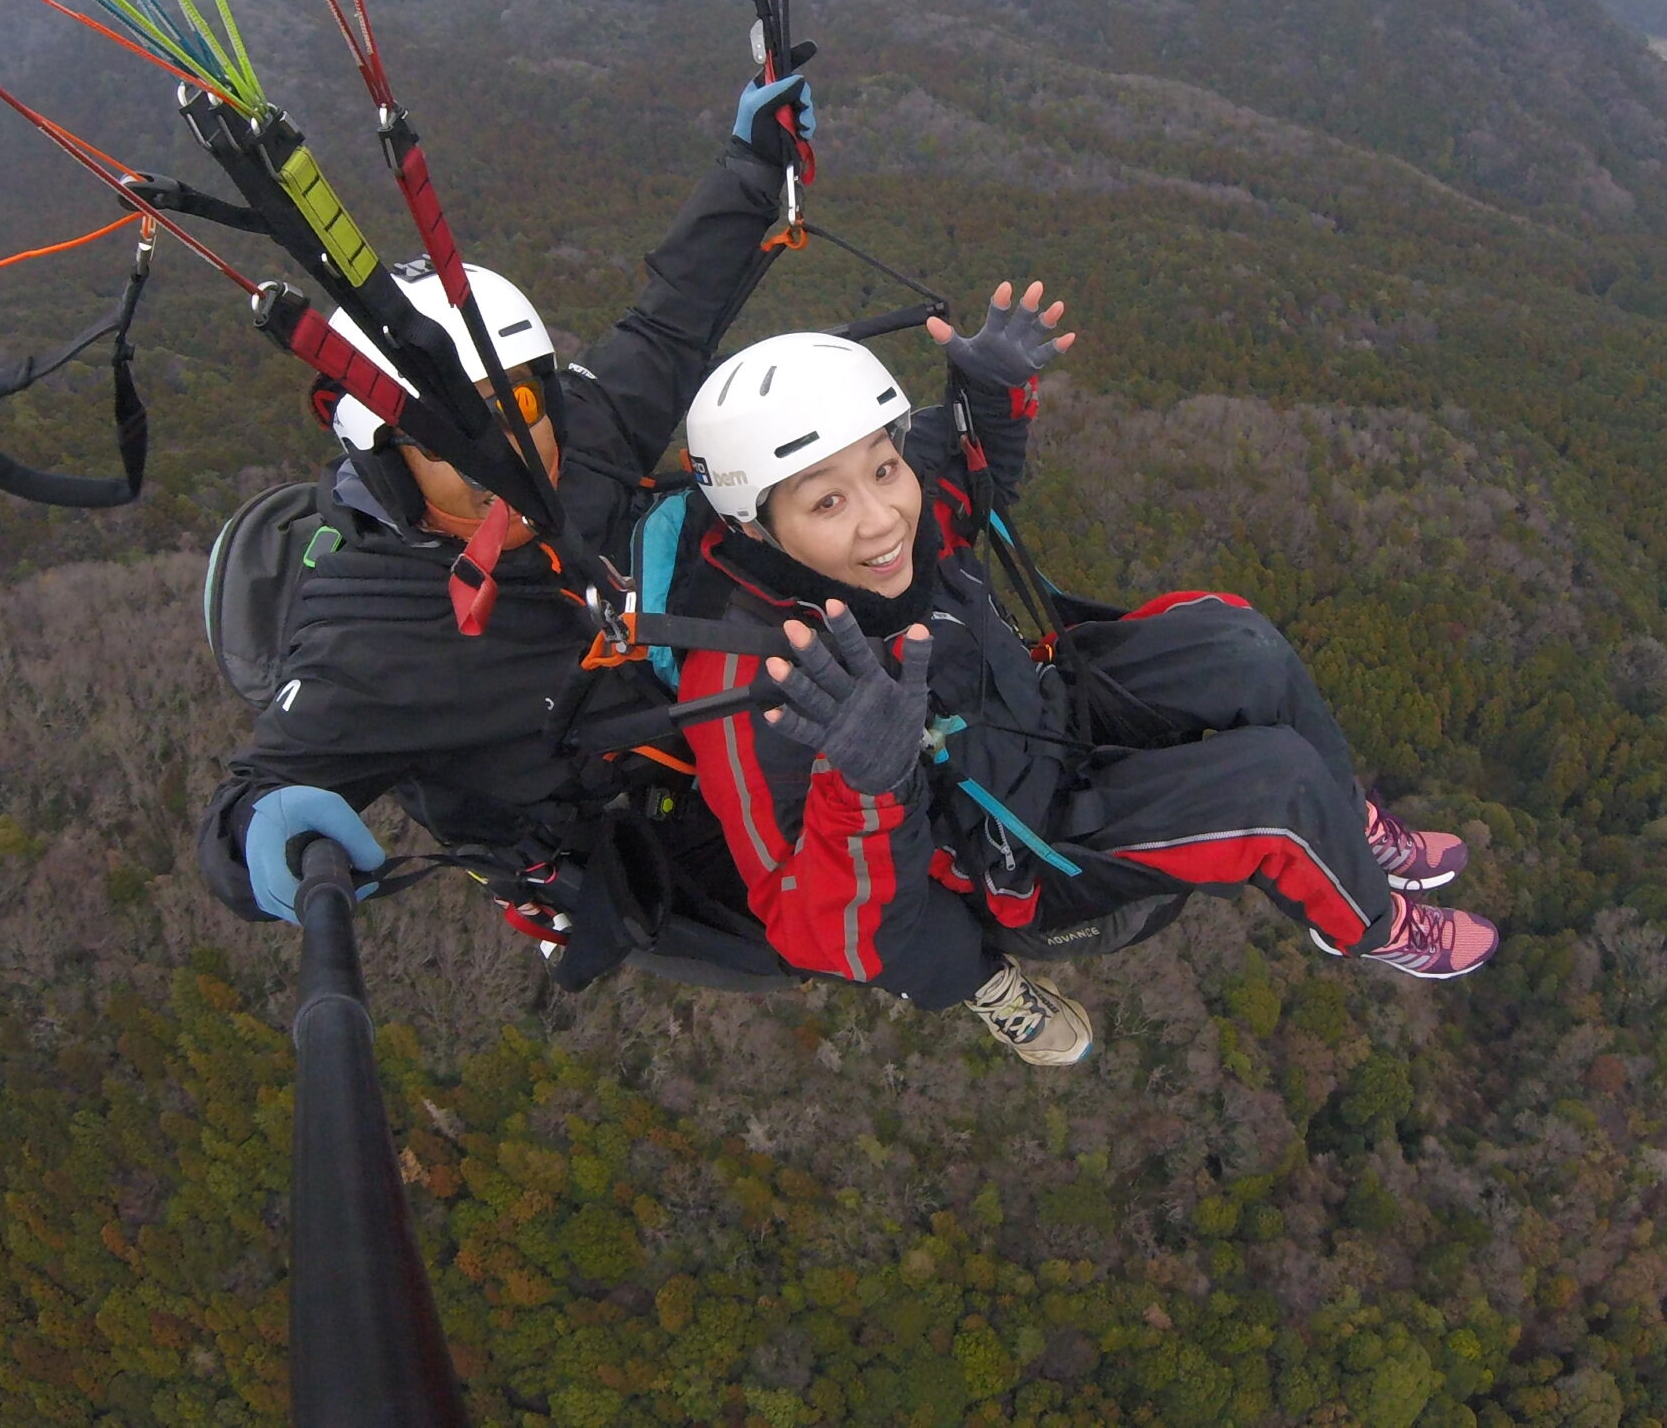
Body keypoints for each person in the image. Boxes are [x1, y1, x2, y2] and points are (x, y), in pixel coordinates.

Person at [673, 286, 1498, 1065]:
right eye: (826, 503)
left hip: (1044, 712)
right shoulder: (754, 683)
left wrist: (987, 394)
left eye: (883, 470)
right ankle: (1370, 922)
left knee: (1237, 641)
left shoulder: (902, 523)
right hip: (1025, 849)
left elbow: (970, 477)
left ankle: (1349, 825)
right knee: (1274, 788)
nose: (882, 518)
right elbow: (816, 929)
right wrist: (868, 785)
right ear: (756, 525)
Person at [194, 74, 813, 930]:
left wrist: (752, 166)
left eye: (518, 406)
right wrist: (253, 839)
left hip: (690, 704)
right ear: (387, 467)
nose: (504, 456)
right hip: (621, 844)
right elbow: (253, 794)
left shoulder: (577, 439)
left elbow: (670, 323)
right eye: (447, 441)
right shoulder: (379, 639)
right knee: (787, 936)